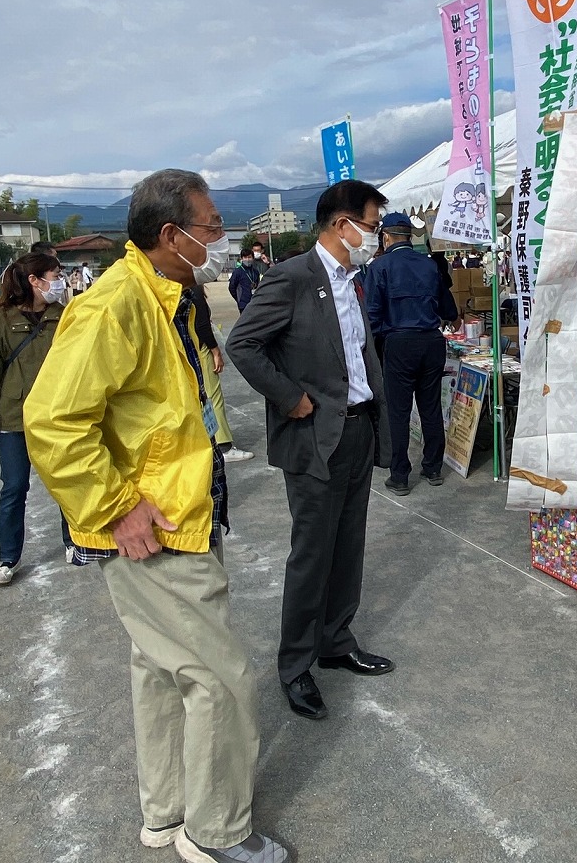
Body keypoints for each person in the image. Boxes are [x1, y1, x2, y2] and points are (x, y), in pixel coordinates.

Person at [23, 169, 286, 863]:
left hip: (178, 509)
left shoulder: (166, 293)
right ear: (171, 235)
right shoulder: (116, 304)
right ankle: (216, 832)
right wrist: (116, 508)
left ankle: (168, 813)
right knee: (220, 677)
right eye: (211, 226)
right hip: (156, 524)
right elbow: (51, 421)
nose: (220, 238)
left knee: (163, 669)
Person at [226, 179, 394, 722]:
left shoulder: (352, 280)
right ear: (342, 225)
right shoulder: (293, 277)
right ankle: (295, 665)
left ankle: (336, 640)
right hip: (316, 435)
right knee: (312, 553)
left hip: (358, 428)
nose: (376, 236)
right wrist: (289, 397)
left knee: (348, 546)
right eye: (371, 226)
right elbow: (243, 344)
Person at [0, 252, 73, 585]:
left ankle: (74, 540)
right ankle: (8, 558)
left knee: (67, 481)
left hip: (57, 415)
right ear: (34, 280)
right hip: (14, 418)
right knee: (14, 487)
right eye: (55, 275)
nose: (60, 281)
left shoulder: (64, 316)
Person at [363, 212, 458, 496]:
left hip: (399, 343)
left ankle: (400, 475)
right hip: (431, 341)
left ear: (386, 237)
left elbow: (372, 315)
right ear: (409, 236)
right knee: (430, 407)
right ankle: (433, 468)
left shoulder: (379, 267)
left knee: (398, 411)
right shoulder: (429, 265)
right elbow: (449, 310)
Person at [192, 282, 254, 463]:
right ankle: (223, 445)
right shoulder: (193, 289)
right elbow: (202, 324)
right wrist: (215, 350)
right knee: (213, 396)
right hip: (201, 348)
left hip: (188, 349)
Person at [228, 247, 260, 313]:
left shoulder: (255, 271)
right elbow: (232, 287)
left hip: (255, 303)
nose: (247, 259)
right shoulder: (237, 272)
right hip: (243, 304)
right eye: (245, 257)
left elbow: (258, 285)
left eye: (249, 257)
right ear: (242, 259)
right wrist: (239, 299)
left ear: (253, 258)